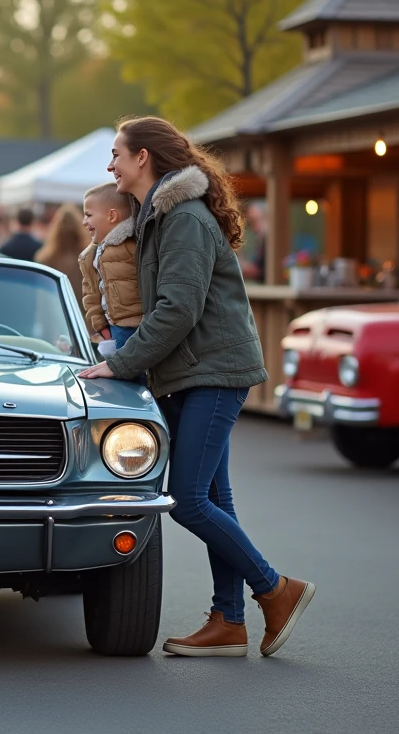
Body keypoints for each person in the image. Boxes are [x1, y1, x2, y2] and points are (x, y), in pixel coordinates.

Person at [79, 116, 314, 658]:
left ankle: (275, 589)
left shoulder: (181, 217)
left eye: (117, 153)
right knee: (213, 496)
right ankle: (229, 621)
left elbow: (178, 310)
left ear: (144, 158)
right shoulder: (161, 215)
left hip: (212, 371)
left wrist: (121, 364)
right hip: (194, 371)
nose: (110, 164)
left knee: (185, 500)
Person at [77, 187, 142, 360]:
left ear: (112, 216)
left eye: (88, 215)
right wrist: (101, 326)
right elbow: (90, 294)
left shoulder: (133, 244)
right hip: (112, 330)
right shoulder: (91, 255)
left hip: (136, 329)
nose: (84, 221)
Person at [35, 204, 87, 303]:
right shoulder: (88, 258)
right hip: (81, 313)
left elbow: (41, 294)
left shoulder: (46, 257)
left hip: (56, 310)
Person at [241, 201, 268, 282]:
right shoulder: (256, 239)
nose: (254, 227)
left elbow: (258, 270)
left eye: (255, 220)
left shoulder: (270, 241)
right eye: (251, 222)